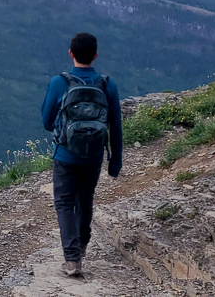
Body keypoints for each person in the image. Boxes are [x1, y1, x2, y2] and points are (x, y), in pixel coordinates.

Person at [40, 32, 123, 277]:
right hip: (94, 156)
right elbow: (115, 126)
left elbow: (46, 121)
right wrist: (115, 160)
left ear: (70, 53)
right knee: (85, 200)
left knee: (65, 202)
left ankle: (72, 260)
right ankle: (83, 245)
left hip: (65, 155)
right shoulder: (108, 85)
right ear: (95, 56)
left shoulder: (59, 83)